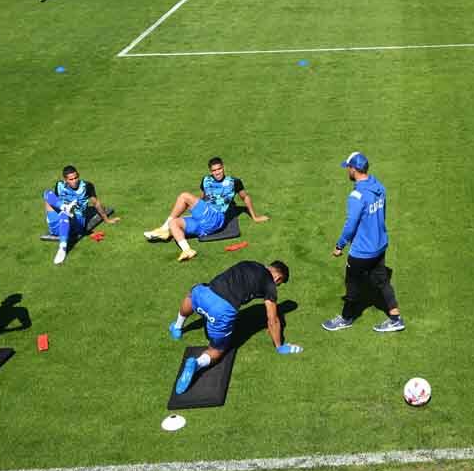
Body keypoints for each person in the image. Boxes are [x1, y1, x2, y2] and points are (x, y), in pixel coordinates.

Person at [170, 259, 300, 393]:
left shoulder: (250, 263)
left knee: (192, 295)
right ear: (278, 278)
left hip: (204, 293)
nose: (277, 286)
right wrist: (279, 346)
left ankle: (177, 327)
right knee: (217, 350)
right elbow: (273, 320)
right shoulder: (270, 285)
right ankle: (197, 364)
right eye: (279, 283)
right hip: (221, 311)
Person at [321, 152, 404, 333]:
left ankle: (346, 317)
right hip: (380, 245)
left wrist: (339, 245)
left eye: (348, 168)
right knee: (382, 281)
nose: (347, 171)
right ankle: (396, 318)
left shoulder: (357, 196)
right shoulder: (379, 186)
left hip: (362, 251)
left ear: (354, 169)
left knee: (352, 284)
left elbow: (350, 225)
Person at [143, 156, 269, 263]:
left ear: (223, 167)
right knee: (174, 223)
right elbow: (203, 197)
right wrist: (195, 209)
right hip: (205, 226)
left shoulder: (234, 182)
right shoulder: (206, 180)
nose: (217, 172)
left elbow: (245, 197)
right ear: (210, 171)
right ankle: (187, 250)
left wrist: (255, 217)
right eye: (214, 170)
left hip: (216, 217)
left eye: (219, 169)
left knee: (184, 196)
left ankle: (163, 229)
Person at [44, 165, 119, 265]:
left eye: (76, 177)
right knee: (47, 193)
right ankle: (64, 208)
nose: (74, 181)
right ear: (65, 180)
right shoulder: (59, 185)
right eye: (71, 179)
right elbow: (54, 200)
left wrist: (106, 219)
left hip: (77, 222)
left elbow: (96, 203)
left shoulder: (86, 186)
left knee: (65, 214)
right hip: (57, 225)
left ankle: (62, 248)